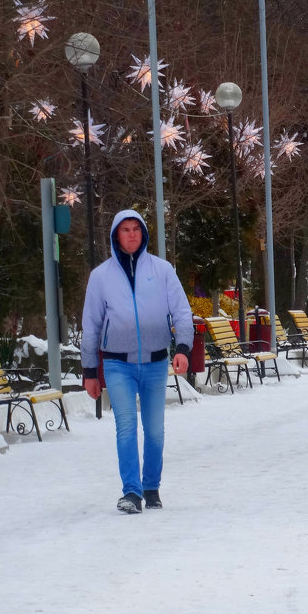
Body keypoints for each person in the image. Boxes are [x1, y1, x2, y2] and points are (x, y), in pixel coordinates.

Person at [81, 210, 193, 514]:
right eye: (125, 230)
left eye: (136, 229)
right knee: (126, 425)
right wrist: (91, 371)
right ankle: (131, 492)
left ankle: (151, 486)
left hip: (156, 363)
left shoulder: (162, 270)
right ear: (116, 235)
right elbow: (90, 326)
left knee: (154, 429)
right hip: (117, 364)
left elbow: (182, 312)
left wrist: (182, 348)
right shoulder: (100, 277)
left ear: (143, 234)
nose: (131, 234)